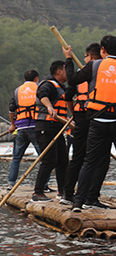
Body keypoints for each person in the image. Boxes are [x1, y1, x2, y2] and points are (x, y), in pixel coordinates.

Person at [63, 35, 116, 212]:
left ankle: (78, 203)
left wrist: (69, 59)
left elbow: (71, 80)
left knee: (90, 161)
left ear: (102, 50)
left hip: (97, 122)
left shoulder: (94, 66)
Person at [60, 43, 104, 207]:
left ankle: (70, 194)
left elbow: (68, 97)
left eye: (85, 56)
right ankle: (88, 196)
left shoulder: (81, 73)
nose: (85, 59)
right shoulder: (102, 73)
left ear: (90, 57)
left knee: (80, 156)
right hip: (94, 116)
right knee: (95, 158)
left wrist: (74, 113)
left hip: (81, 116)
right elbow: (69, 95)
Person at [32, 61, 69, 201]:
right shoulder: (48, 84)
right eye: (66, 70)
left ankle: (63, 192)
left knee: (63, 161)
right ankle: (37, 193)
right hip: (45, 127)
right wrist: (49, 107)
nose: (68, 73)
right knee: (49, 160)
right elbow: (42, 95)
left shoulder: (61, 87)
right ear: (59, 71)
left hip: (57, 128)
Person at [7, 70, 41, 189]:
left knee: (16, 158)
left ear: (25, 79)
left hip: (21, 127)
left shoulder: (18, 90)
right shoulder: (40, 87)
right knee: (43, 158)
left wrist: (12, 125)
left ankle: (11, 183)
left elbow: (11, 110)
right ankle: (44, 184)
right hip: (35, 126)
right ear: (36, 78)